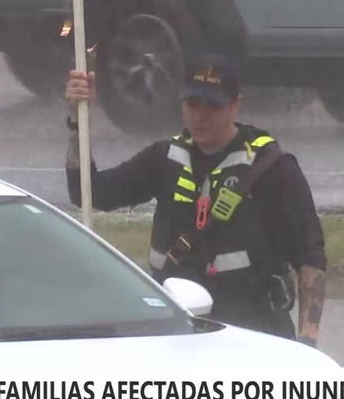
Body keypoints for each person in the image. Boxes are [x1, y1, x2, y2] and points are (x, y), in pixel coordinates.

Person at [64, 53, 326, 347]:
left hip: (255, 332)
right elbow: (86, 192)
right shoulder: (163, 159)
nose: (200, 116)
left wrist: (308, 340)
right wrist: (77, 120)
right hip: (178, 335)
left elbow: (310, 255)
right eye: (192, 104)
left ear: (235, 105)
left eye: (213, 106)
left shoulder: (272, 168)